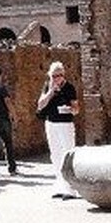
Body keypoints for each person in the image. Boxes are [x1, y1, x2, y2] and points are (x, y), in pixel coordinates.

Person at [36, 61, 80, 199]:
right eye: (54, 76)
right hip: (51, 123)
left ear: (63, 75)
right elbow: (40, 105)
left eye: (59, 75)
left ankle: (71, 188)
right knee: (55, 155)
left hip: (65, 124)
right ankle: (60, 186)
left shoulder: (69, 88)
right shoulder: (48, 86)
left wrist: (70, 109)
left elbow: (76, 109)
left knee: (67, 153)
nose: (56, 78)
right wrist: (50, 92)